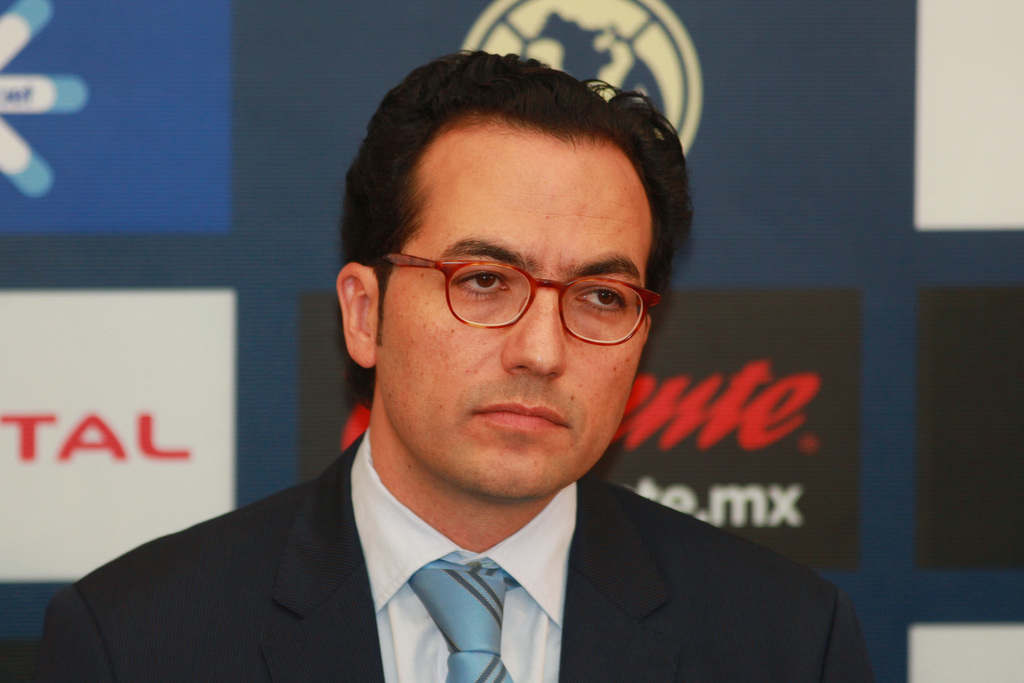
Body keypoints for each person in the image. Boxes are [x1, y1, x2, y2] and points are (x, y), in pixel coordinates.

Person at [36, 51, 874, 682]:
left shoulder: (789, 641)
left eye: (601, 296)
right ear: (365, 313)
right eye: (483, 280)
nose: (541, 350)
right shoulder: (135, 641)